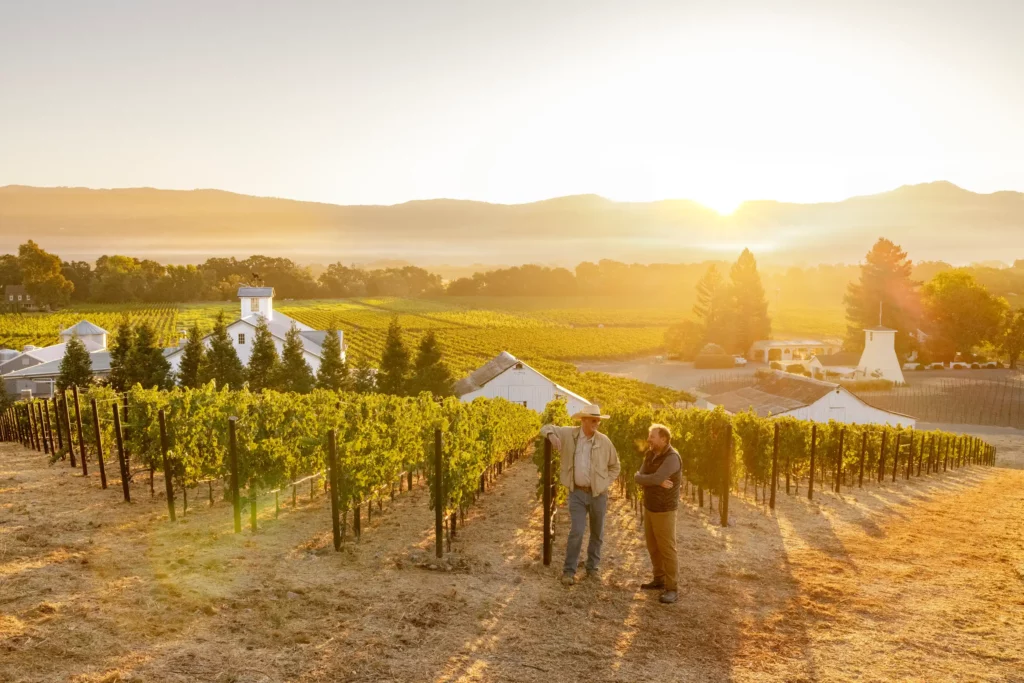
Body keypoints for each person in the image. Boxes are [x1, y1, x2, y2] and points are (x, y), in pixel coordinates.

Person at [540, 404, 620, 586]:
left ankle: (592, 568)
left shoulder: (604, 441)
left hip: (598, 494)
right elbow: (545, 427)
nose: (596, 423)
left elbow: (616, 466)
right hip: (576, 492)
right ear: (583, 420)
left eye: (598, 420)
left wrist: (604, 483)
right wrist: (551, 436)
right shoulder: (570, 434)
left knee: (597, 533)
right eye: (593, 420)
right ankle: (569, 571)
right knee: (576, 531)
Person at [634, 423, 681, 604]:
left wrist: (652, 479)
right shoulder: (650, 454)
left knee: (667, 548)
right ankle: (659, 579)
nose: (649, 439)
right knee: (652, 546)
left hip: (665, 509)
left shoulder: (672, 458)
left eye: (652, 436)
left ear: (664, 439)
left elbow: (650, 477)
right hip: (650, 506)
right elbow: (637, 476)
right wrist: (654, 481)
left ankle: (672, 588)